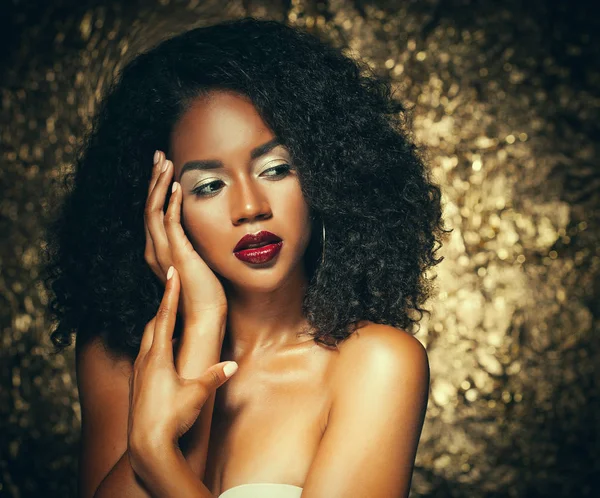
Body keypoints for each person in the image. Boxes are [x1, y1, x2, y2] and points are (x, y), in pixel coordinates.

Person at [44, 16, 448, 498]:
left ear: (327, 177)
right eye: (209, 185)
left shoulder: (377, 364)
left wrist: (155, 451)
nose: (251, 207)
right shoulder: (115, 357)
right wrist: (203, 320)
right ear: (155, 206)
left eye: (276, 169)